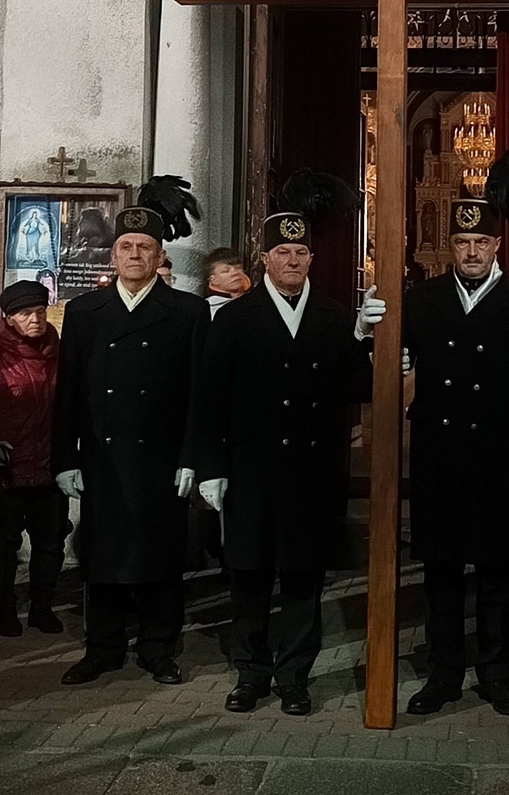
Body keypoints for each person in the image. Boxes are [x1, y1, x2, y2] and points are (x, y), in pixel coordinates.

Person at [187, 175, 379, 718]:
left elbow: (358, 389)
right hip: (251, 469)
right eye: (282, 253)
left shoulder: (334, 316)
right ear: (265, 259)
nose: (292, 261)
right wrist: (210, 467)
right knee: (248, 576)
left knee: (302, 578)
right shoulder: (234, 317)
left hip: (310, 471)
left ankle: (295, 676)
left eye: (300, 253)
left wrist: (368, 342)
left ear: (311, 259)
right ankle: (251, 673)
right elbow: (209, 397)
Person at [400, 160, 509, 719]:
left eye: (481, 242)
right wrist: (369, 331)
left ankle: (496, 674)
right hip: (439, 457)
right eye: (462, 242)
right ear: (451, 247)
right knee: (440, 573)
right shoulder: (422, 300)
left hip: (497, 458)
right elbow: (389, 363)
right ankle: (443, 673)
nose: (471, 252)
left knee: (496, 573)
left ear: (497, 245)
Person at [53, 177, 208, 685]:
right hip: (103, 457)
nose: (134, 255)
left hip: (162, 458)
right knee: (103, 555)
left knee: (161, 555)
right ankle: (102, 647)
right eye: (126, 247)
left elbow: (198, 393)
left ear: (160, 255)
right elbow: (68, 392)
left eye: (144, 247)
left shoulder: (187, 312)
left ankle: (159, 647)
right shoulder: (83, 312)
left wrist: (192, 457)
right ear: (113, 255)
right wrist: (65, 459)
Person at [0, 281, 66, 640]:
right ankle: (3, 611)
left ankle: (42, 607)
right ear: (8, 317)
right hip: (4, 469)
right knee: (3, 544)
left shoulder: (61, 353)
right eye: (26, 313)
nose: (35, 319)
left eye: (40, 312)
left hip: (50, 466)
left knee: (51, 542)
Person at [204, 247, 251, 318]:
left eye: (238, 268)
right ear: (213, 279)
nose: (235, 273)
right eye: (226, 271)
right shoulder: (207, 309)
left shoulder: (257, 301)